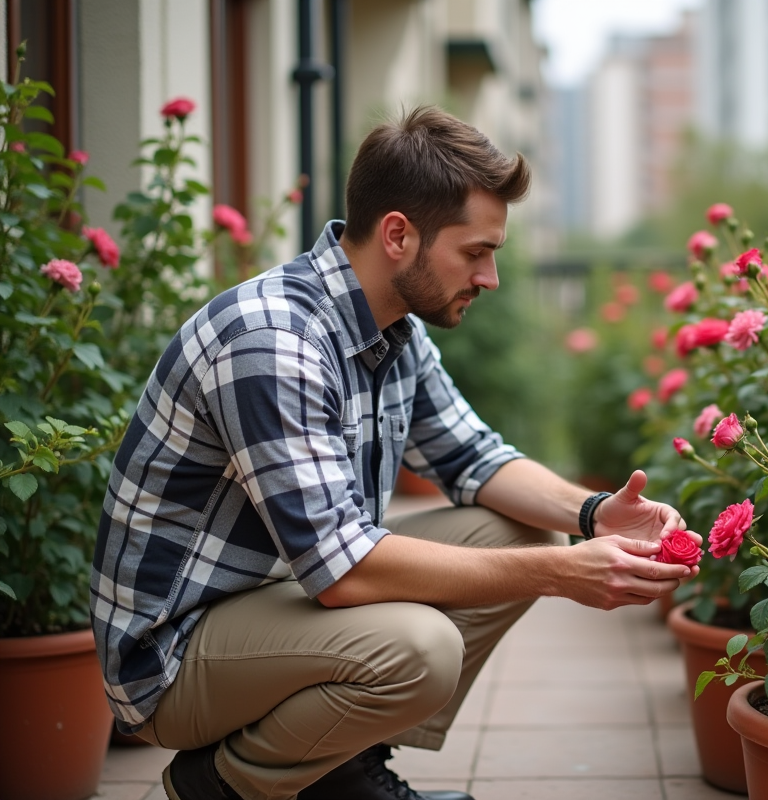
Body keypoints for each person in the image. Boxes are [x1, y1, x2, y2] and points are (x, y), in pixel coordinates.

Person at [90, 106, 700, 800]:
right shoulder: (272, 342)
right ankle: (223, 784)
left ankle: (338, 767)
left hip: (278, 596)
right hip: (175, 652)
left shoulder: (392, 329)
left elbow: (475, 458)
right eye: (475, 252)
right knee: (421, 650)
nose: (491, 277)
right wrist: (563, 573)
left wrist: (595, 515)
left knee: (521, 526)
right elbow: (343, 572)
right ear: (399, 235)